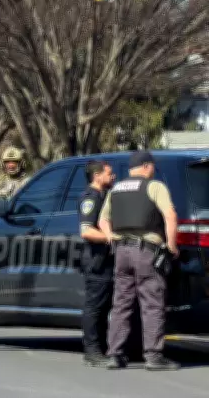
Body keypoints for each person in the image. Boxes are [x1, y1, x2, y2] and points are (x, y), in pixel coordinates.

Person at [98, 151, 180, 371]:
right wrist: (171, 246)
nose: (153, 170)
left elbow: (103, 220)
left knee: (121, 305)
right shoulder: (154, 187)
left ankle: (115, 354)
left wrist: (111, 238)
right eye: (152, 166)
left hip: (121, 252)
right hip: (147, 252)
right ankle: (153, 356)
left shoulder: (116, 189)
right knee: (152, 304)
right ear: (145, 166)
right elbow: (170, 215)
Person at [79, 160, 116, 367]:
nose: (113, 176)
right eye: (109, 173)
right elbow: (86, 230)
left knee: (104, 308)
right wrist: (111, 238)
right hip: (97, 260)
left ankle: (102, 347)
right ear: (97, 176)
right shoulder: (90, 198)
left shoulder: (105, 196)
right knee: (94, 307)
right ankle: (91, 351)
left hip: (108, 260)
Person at [0, 146, 31, 213]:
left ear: (21, 163)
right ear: (3, 164)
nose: (11, 165)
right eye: (7, 162)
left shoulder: (27, 181)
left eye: (14, 162)